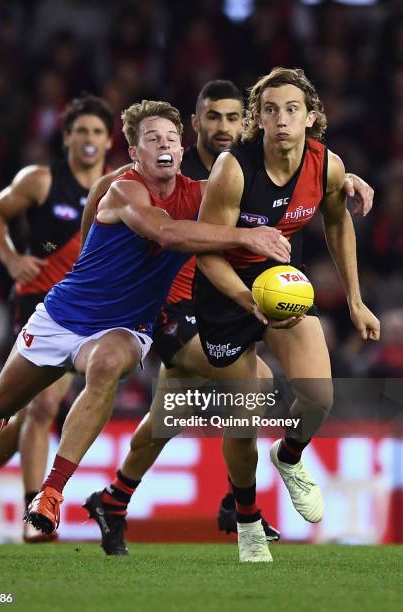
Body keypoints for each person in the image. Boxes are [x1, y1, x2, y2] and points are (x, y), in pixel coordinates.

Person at [0, 100, 291, 542]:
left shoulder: (198, 193)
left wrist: (338, 181)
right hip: (63, 318)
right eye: (152, 139)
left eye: (171, 138)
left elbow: (260, 190)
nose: (164, 145)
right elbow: (165, 233)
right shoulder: (124, 189)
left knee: (107, 366)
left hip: (126, 327)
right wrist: (244, 235)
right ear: (134, 152)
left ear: (183, 145)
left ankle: (51, 494)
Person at [81, 81, 375, 556]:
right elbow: (105, 199)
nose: (224, 126)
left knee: (171, 412)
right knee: (250, 390)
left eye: (233, 118)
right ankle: (242, 509)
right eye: (213, 117)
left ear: (247, 122)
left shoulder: (259, 155)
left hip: (250, 293)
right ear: (193, 124)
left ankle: (115, 500)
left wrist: (345, 179)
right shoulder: (169, 161)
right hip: (177, 307)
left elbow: (312, 176)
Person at [192, 67, 380, 562]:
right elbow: (205, 250)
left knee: (319, 395)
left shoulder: (327, 166)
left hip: (283, 285)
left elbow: (339, 224)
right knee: (243, 419)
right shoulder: (234, 169)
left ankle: (290, 455)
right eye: (270, 110)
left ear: (311, 117)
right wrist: (244, 300)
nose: (281, 119)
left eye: (292, 109)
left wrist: (356, 299)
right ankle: (248, 518)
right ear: (258, 118)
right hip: (226, 293)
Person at [0, 94, 114, 542]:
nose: (89, 139)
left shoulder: (119, 189)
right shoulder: (42, 180)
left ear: (109, 140)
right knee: (25, 408)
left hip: (85, 311)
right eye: (81, 130)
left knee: (34, 411)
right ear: (66, 138)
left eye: (97, 131)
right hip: (38, 302)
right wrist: (10, 259)